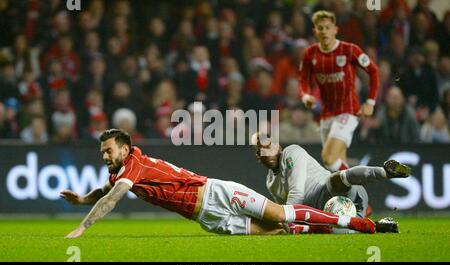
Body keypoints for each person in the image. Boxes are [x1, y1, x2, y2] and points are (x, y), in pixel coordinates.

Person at [61, 128, 397, 238]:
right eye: (102, 152)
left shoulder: (133, 164)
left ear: (124, 148)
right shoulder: (120, 173)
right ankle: (336, 230)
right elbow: (104, 191)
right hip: (206, 217)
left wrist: (83, 227)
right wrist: (81, 200)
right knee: (277, 230)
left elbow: (112, 199)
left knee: (282, 214)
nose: (104, 156)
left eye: (108, 150)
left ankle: (364, 224)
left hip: (215, 191)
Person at [252, 132, 409, 233]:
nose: (267, 152)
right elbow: (283, 209)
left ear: (278, 146)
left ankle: (385, 172)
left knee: (334, 179)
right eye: (261, 150)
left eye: (269, 146)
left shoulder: (291, 152)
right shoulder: (270, 182)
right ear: (258, 158)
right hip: (329, 217)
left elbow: (296, 195)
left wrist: (287, 220)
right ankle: (377, 226)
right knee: (329, 230)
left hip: (340, 193)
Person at [298, 10, 379, 172]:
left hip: (347, 112)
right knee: (336, 167)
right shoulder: (310, 54)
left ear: (335, 29)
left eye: (328, 27)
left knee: (328, 158)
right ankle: (351, 186)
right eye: (320, 28)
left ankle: (355, 183)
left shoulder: (349, 50)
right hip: (326, 114)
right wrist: (305, 95)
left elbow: (373, 70)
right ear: (315, 31)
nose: (324, 31)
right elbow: (303, 80)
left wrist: (370, 102)